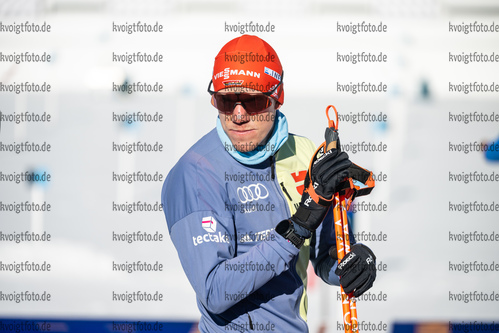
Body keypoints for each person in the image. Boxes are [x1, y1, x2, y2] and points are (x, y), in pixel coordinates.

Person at [161, 35, 377, 332]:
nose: (238, 115)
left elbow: (326, 258)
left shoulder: (304, 154)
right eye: (225, 100)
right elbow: (214, 291)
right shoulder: (196, 174)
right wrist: (295, 231)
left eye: (252, 101)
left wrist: (351, 264)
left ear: (277, 97)